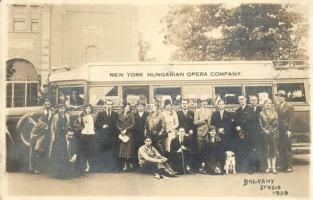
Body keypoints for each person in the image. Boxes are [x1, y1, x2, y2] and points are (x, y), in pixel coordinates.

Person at [28, 99, 54, 174]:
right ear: (44, 105)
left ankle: (37, 168)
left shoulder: (51, 113)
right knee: (32, 151)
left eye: (48, 104)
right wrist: (34, 123)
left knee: (38, 149)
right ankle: (31, 169)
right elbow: (29, 117)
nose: (47, 105)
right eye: (45, 104)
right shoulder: (40, 112)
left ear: (50, 105)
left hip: (43, 134)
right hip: (34, 133)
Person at [48, 104, 73, 179]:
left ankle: (64, 174)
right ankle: (56, 173)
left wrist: (68, 133)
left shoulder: (67, 116)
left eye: (63, 108)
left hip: (64, 136)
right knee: (57, 154)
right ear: (58, 109)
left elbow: (69, 126)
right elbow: (52, 127)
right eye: (61, 108)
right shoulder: (55, 116)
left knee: (64, 154)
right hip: (57, 137)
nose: (62, 110)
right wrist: (53, 137)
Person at [94, 99, 119, 172]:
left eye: (110, 104)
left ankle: (115, 169)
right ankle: (106, 168)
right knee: (105, 153)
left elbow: (117, 125)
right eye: (108, 104)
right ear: (105, 105)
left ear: (112, 106)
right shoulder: (101, 114)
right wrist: (102, 125)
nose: (109, 106)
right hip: (104, 137)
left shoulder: (115, 114)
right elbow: (96, 124)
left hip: (113, 136)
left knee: (114, 152)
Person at [275, 90, 294, 173]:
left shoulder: (289, 106)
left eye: (280, 96)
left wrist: (289, 130)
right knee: (281, 148)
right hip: (279, 130)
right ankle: (283, 166)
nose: (278, 98)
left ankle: (289, 167)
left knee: (287, 148)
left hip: (286, 130)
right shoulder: (278, 106)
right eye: (278, 96)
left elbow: (291, 119)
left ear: (284, 97)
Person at [234, 95, 253, 173]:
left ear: (246, 100)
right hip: (240, 134)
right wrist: (237, 126)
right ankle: (241, 168)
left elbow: (248, 119)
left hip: (248, 133)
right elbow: (236, 121)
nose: (241, 100)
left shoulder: (250, 109)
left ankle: (250, 168)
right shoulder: (238, 110)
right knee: (241, 150)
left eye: (242, 99)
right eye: (240, 99)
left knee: (249, 150)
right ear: (238, 101)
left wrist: (240, 126)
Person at [259, 99, 279, 174]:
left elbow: (276, 123)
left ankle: (274, 168)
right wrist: (265, 130)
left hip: (273, 133)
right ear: (264, 105)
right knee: (267, 150)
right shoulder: (261, 113)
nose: (267, 104)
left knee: (273, 150)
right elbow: (260, 123)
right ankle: (269, 167)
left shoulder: (275, 112)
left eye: (269, 103)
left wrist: (271, 130)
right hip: (265, 133)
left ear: (271, 105)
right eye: (266, 103)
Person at [176, 99, 197, 170]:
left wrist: (191, 130)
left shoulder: (191, 113)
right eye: (183, 103)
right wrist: (180, 132)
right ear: (181, 105)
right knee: (181, 149)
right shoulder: (178, 113)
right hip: (181, 133)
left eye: (185, 103)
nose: (184, 105)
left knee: (189, 149)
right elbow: (177, 123)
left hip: (189, 134)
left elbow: (193, 123)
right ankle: (182, 166)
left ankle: (190, 166)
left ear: (188, 104)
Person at [194, 98, 212, 172]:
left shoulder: (210, 111)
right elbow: (195, 122)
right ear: (201, 103)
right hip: (200, 133)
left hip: (207, 133)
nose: (205, 103)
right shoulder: (197, 111)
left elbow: (209, 123)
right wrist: (203, 120)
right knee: (200, 151)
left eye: (206, 102)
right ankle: (200, 167)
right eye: (203, 102)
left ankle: (207, 167)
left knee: (207, 150)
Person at [117, 103, 135, 171]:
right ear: (124, 107)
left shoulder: (131, 114)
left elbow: (133, 124)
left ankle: (128, 164)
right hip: (122, 134)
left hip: (128, 133)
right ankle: (124, 164)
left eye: (129, 107)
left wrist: (126, 129)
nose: (128, 108)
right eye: (127, 107)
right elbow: (117, 124)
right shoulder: (120, 114)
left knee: (128, 149)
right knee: (122, 149)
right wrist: (121, 130)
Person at [248, 95, 264, 173]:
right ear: (250, 101)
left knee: (259, 149)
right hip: (250, 133)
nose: (253, 101)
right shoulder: (248, 109)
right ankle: (251, 167)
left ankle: (258, 166)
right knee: (251, 150)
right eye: (252, 100)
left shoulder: (261, 109)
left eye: (255, 100)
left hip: (259, 133)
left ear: (257, 101)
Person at [79, 104, 96, 172]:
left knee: (91, 151)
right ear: (85, 109)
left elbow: (95, 124)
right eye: (87, 108)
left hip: (92, 134)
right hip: (84, 134)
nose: (88, 110)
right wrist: (82, 128)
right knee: (85, 151)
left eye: (89, 108)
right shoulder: (82, 116)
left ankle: (92, 166)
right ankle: (87, 166)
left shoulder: (94, 116)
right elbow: (79, 124)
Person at [133, 100, 149, 168]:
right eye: (139, 106)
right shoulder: (134, 114)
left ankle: (144, 164)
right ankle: (136, 164)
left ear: (144, 107)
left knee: (144, 149)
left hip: (144, 134)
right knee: (136, 148)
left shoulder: (147, 114)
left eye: (141, 106)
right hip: (136, 134)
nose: (140, 107)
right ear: (137, 107)